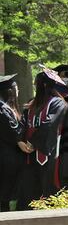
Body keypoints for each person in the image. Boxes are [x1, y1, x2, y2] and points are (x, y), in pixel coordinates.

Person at [17, 72, 68, 209]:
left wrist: (32, 142)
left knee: (47, 192)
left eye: (37, 84)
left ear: (45, 85)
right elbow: (23, 123)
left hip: (48, 156)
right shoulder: (33, 104)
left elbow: (50, 124)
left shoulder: (57, 103)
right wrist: (20, 141)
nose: (36, 87)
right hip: (30, 156)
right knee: (30, 193)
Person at [0, 74, 25, 211]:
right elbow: (15, 132)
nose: (18, 91)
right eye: (16, 88)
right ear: (10, 91)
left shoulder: (5, 108)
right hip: (7, 158)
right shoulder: (3, 110)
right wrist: (27, 116)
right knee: (6, 194)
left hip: (7, 156)